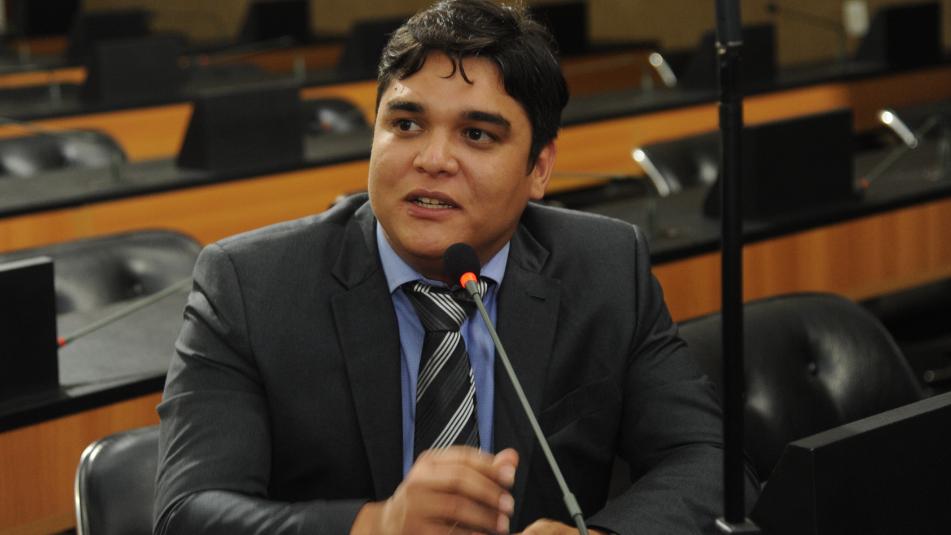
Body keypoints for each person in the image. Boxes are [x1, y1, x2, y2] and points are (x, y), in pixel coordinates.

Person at [154, 1, 757, 533]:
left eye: (476, 134)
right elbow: (188, 513)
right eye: (406, 124)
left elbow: (710, 462)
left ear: (539, 169)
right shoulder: (249, 286)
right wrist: (376, 526)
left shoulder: (605, 267)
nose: (433, 159)